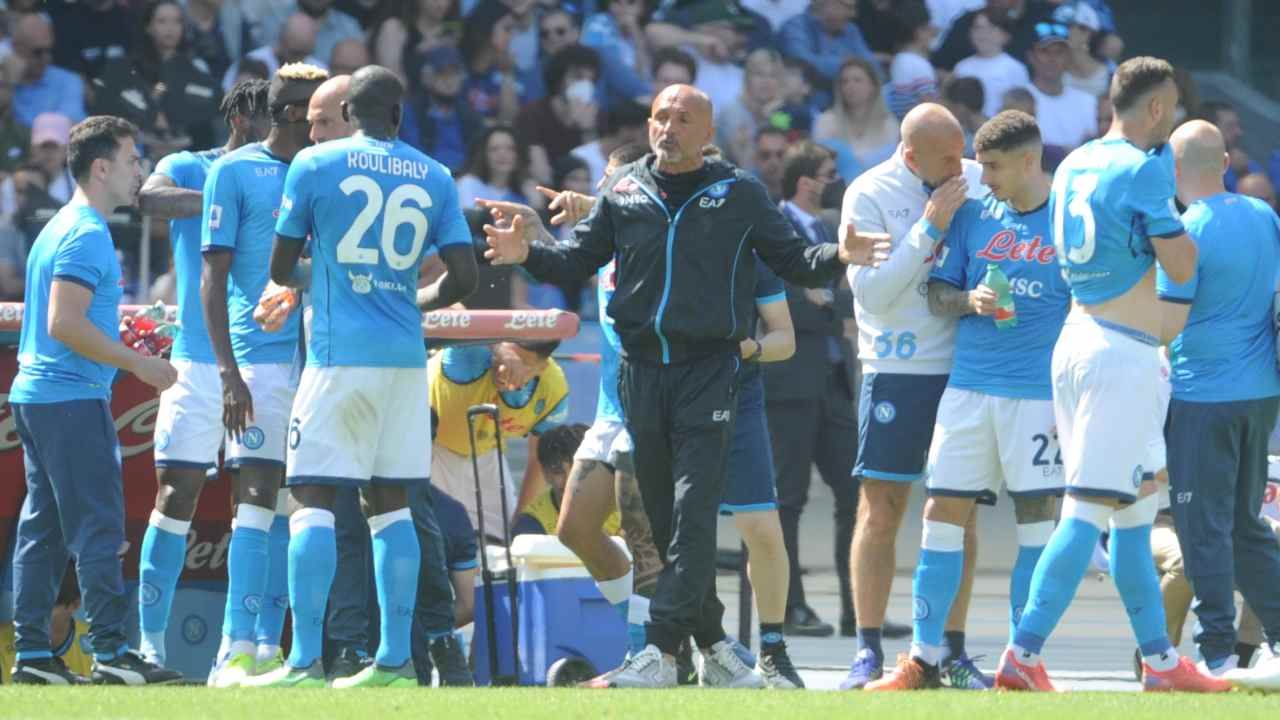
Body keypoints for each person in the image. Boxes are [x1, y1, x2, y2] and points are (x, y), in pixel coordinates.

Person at [481, 83, 887, 688]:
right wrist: (528, 255)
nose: (667, 127)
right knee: (672, 527)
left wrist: (840, 255)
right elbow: (574, 261)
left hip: (710, 374)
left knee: (694, 512)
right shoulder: (623, 191)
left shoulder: (740, 194)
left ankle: (659, 650)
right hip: (640, 375)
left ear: (707, 134)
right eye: (659, 117)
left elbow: (795, 259)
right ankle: (716, 644)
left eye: (682, 119)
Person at [993, 56, 1228, 693]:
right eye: (1172, 107)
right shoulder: (1142, 169)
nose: (1174, 117)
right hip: (1117, 355)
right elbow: (1181, 264)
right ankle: (1023, 651)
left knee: (1133, 512)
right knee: (1088, 510)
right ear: (1155, 109)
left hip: (1078, 338)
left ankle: (1159, 662)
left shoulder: (1074, 161)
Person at [248, 64, 479, 688]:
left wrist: (315, 282)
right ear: (400, 116)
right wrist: (413, 298)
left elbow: (279, 264)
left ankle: (303, 662)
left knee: (313, 500)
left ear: (347, 113)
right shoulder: (434, 175)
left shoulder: (316, 165)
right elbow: (466, 278)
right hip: (405, 363)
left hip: (336, 358)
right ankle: (396, 662)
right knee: (392, 505)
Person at [865, 110, 1068, 691]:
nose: (984, 176)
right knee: (939, 517)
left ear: (1030, 160)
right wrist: (970, 301)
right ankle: (922, 659)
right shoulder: (975, 216)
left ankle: (1022, 661)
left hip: (1037, 395)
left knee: (1036, 525)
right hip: (969, 389)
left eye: (995, 166)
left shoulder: (1069, 222)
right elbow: (935, 294)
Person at [8, 115, 180, 685]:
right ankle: (111, 653)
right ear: (101, 167)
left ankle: (33, 656)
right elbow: (63, 322)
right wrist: (140, 364)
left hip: (40, 397)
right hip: (70, 399)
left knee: (47, 529)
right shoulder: (86, 232)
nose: (142, 172)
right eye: (133, 161)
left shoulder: (61, 225)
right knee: (99, 528)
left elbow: (65, 319)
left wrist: (119, 341)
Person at [838, 102, 985, 690]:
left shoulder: (974, 178)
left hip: (966, 368)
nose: (960, 167)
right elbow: (874, 295)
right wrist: (930, 225)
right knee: (882, 509)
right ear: (908, 155)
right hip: (896, 367)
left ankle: (952, 650)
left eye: (961, 152)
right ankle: (868, 649)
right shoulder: (869, 194)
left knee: (957, 515)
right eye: (946, 158)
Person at [134, 79, 271, 670]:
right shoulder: (190, 164)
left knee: (261, 501)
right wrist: (223, 194)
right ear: (240, 115)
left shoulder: (286, 170)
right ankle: (150, 647)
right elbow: (149, 198)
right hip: (193, 357)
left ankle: (241, 649)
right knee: (175, 494)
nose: (283, 127)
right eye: (272, 114)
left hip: (265, 356)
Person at [200, 63, 328, 688]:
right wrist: (229, 372)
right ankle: (233, 649)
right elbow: (213, 280)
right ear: (293, 113)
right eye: (320, 110)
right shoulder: (233, 172)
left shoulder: (325, 171)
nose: (329, 121)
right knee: (253, 502)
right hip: (260, 362)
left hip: (321, 364)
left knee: (288, 507)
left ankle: (271, 652)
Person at [1158, 120, 1280, 684]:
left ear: (1174, 171)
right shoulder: (1263, 215)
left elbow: (1167, 318)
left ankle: (1216, 652)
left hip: (1201, 394)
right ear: (1226, 160)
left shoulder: (1186, 228)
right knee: (1246, 523)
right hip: (1260, 394)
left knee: (1200, 527)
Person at [769, 141, 857, 639]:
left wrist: (822, 300)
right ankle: (788, 607)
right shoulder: (773, 227)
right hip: (789, 381)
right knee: (789, 498)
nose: (835, 180)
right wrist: (821, 303)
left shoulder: (824, 230)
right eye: (829, 173)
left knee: (855, 492)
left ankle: (857, 607)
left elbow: (845, 300)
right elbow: (777, 302)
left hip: (833, 380)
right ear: (806, 181)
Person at [429, 340, 569, 534]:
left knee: (505, 542)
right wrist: (499, 349)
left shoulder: (553, 388)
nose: (507, 369)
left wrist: (519, 519)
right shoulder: (468, 355)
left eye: (522, 364)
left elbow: (539, 458)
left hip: (486, 454)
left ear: (541, 368)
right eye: (509, 358)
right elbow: (460, 313)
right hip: (429, 451)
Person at [92, 0, 222, 163]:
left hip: (187, 151)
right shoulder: (128, 69)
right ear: (148, 26)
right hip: (137, 152)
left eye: (177, 21)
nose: (170, 28)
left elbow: (206, 117)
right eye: (162, 21)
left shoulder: (196, 67)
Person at [512, 424, 617, 537]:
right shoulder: (530, 525)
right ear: (545, 473)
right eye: (558, 471)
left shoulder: (623, 509)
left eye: (578, 471)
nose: (569, 481)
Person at [813, 58, 900, 184]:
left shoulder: (889, 124)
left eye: (857, 80)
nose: (850, 86)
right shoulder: (826, 121)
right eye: (844, 82)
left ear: (873, 86)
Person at [1, 564, 92, 684]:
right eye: (29, 607)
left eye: (46, 610)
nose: (34, 617)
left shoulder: (96, 643)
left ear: (75, 605)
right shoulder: (2, 644)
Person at [1025, 21, 1096, 152]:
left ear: (1069, 57)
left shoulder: (1087, 101)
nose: (1052, 58)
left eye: (1059, 52)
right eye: (1045, 51)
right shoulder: (1019, 100)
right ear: (1031, 56)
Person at [777, 0, 877, 88]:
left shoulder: (851, 31)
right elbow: (804, 65)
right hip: (808, 103)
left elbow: (874, 69)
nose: (853, 14)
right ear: (828, 3)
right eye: (848, 7)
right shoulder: (795, 28)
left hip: (848, 104)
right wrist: (850, 65)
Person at [10, 13, 86, 128]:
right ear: (16, 48)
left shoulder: (68, 82)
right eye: (38, 52)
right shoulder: (5, 83)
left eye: (49, 50)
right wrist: (9, 82)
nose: (46, 58)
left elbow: (65, 129)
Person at [953, 9, 1030, 119]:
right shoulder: (961, 67)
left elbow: (1022, 108)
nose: (982, 34)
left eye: (990, 29)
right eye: (977, 28)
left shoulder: (1015, 68)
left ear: (1004, 35)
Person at [887, 1, 938, 120]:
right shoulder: (920, 65)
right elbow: (930, 108)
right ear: (919, 31)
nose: (933, 32)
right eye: (928, 27)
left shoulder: (898, 60)